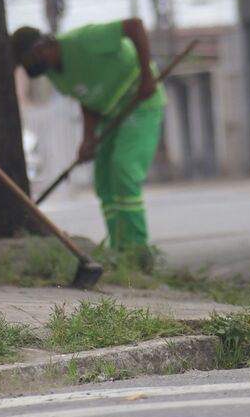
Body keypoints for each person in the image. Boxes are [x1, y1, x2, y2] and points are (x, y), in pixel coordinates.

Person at [11, 19, 165, 256]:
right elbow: (88, 100)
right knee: (104, 181)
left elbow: (134, 26)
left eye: (26, 61)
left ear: (41, 48)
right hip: (109, 113)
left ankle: (138, 251)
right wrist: (88, 139)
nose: (26, 68)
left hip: (139, 102)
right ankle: (120, 248)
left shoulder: (84, 40)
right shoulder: (54, 75)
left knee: (123, 169)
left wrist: (146, 75)